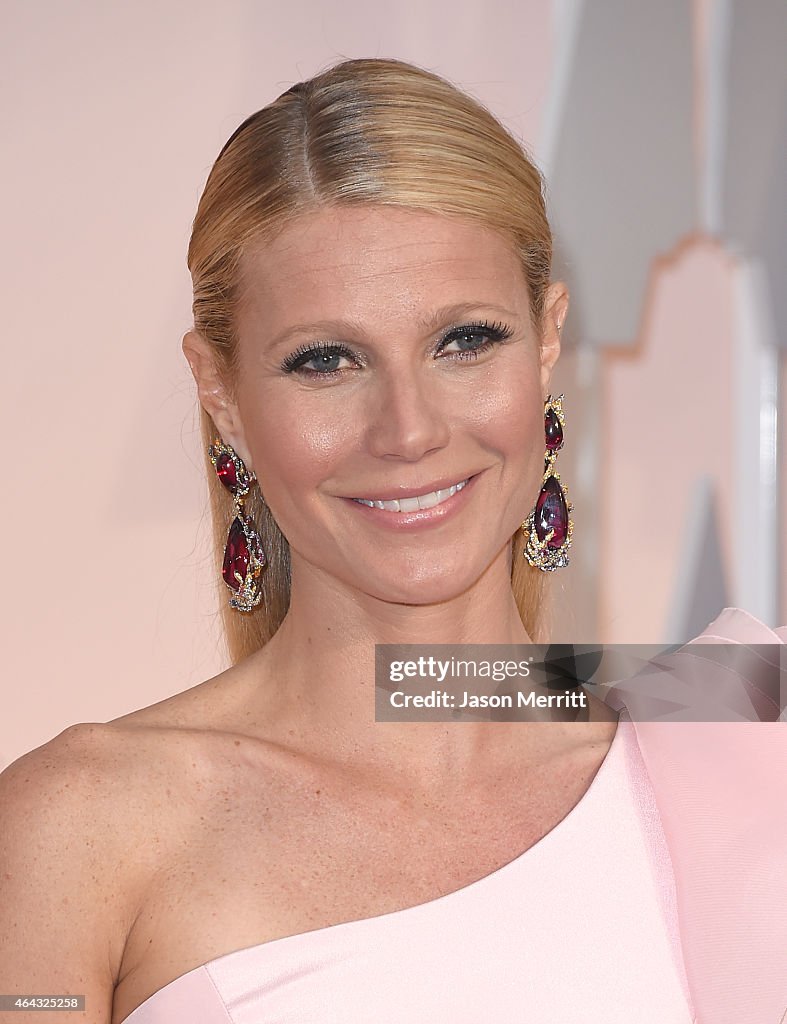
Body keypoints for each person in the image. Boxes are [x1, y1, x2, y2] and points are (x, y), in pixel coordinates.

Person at [1, 57, 785, 1024]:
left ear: (545, 342)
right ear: (221, 393)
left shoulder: (746, 748)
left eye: (465, 341)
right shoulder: (80, 829)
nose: (407, 430)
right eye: (324, 361)